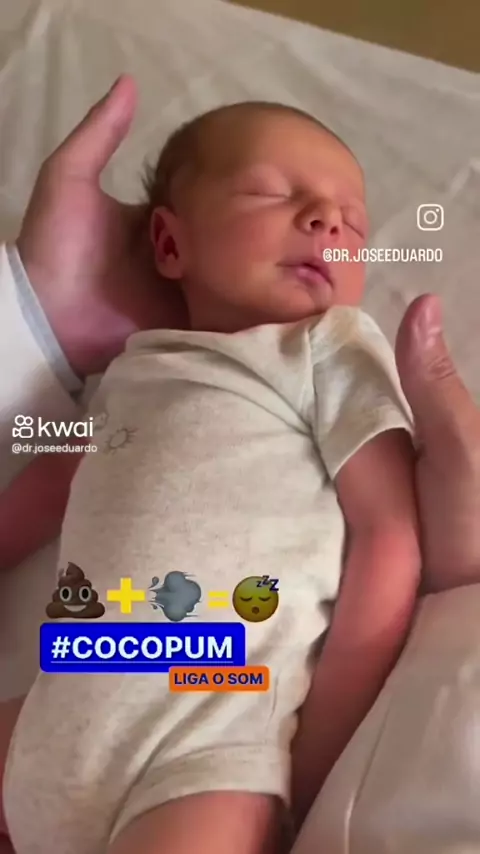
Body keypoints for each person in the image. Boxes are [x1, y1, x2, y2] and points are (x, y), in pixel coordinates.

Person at [0, 77, 477, 854]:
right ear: (169, 244)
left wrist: (317, 754)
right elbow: (61, 479)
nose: (327, 221)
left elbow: (389, 536)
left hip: (210, 744)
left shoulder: (327, 348)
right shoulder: (129, 369)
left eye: (352, 221)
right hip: (51, 721)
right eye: (272, 193)